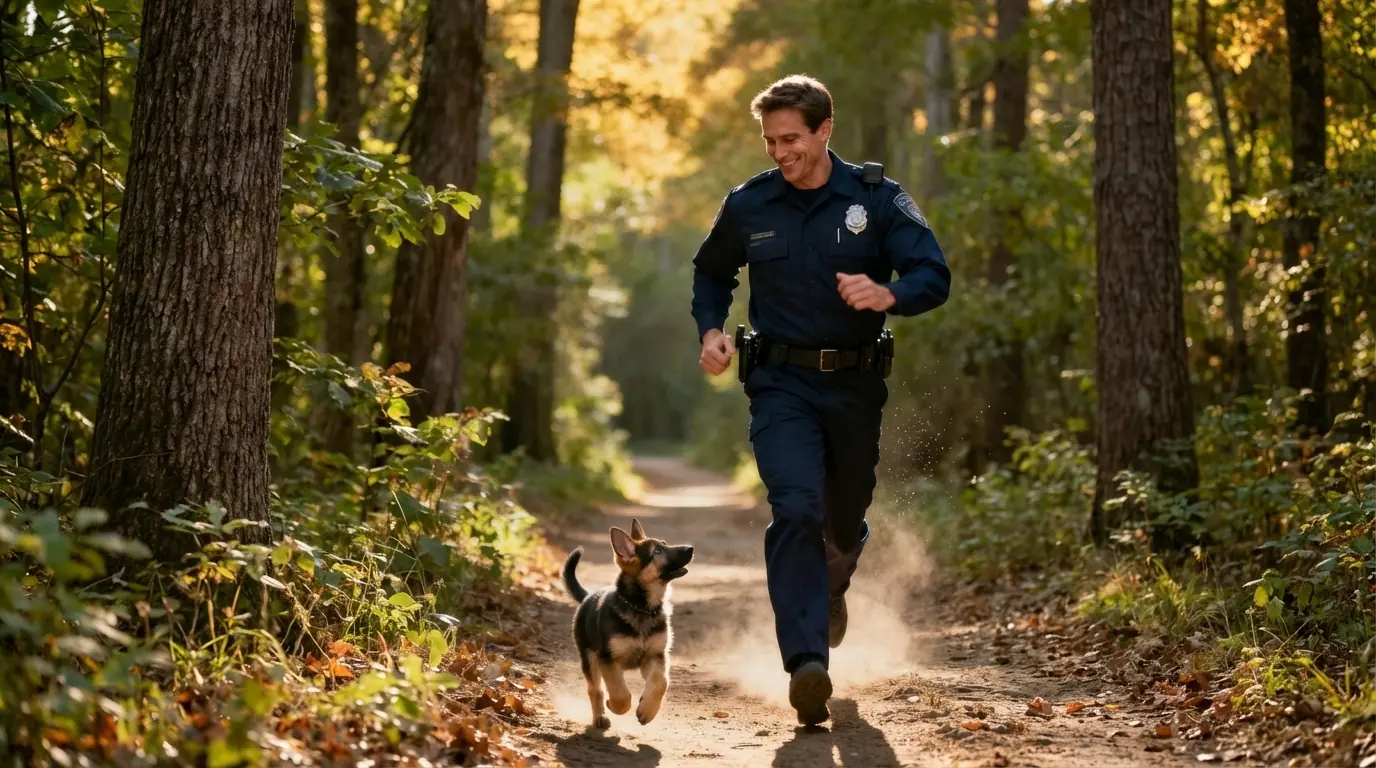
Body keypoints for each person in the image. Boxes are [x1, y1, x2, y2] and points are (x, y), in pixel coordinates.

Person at [689, 74, 951, 726]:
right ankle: (807, 663)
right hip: (780, 385)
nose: (781, 152)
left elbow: (932, 274)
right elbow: (711, 271)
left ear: (825, 129)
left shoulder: (876, 198)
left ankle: (834, 582)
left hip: (856, 387)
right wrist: (712, 330)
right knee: (795, 507)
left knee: (842, 518)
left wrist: (890, 294)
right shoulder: (750, 203)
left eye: (792, 139)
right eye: (771, 141)